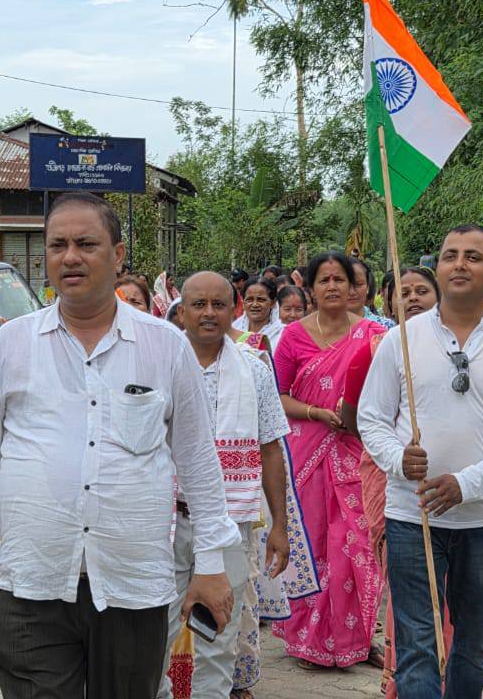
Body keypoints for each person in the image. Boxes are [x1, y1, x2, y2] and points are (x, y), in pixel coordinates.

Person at [0, 192, 239, 699]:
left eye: (86, 243)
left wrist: (209, 566)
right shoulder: (11, 345)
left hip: (131, 583)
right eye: (57, 245)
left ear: (118, 255)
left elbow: (200, 465)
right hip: (31, 583)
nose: (69, 256)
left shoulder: (165, 346)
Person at [358, 224, 483, 699]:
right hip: (410, 514)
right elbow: (372, 418)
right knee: (418, 641)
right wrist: (399, 460)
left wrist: (466, 484)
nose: (459, 264)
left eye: (472, 256)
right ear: (438, 266)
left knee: (476, 640)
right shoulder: (401, 339)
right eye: (449, 256)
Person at [161, 272, 291, 699]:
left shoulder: (253, 370)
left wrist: (279, 526)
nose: (209, 313)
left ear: (233, 308)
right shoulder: (157, 365)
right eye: (199, 304)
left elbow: (271, 448)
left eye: (219, 304)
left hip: (231, 524)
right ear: (182, 311)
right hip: (163, 523)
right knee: (161, 633)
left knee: (217, 631)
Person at [270, 251, 386, 670]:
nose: (334, 286)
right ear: (311, 288)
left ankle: (356, 638)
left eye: (341, 279)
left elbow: (388, 398)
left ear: (356, 288)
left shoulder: (374, 335)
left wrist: (357, 418)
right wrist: (317, 413)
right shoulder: (294, 337)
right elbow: (278, 398)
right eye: (324, 280)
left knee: (355, 543)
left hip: (355, 453)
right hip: (306, 452)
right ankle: (310, 639)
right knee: (314, 540)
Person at [362, 265, 446, 698]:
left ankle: (445, 676)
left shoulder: (457, 349)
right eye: (403, 292)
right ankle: (403, 681)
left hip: (452, 498)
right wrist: (396, 455)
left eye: (422, 291)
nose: (412, 298)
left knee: (447, 597)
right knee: (407, 596)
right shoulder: (381, 345)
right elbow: (369, 413)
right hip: (393, 482)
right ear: (388, 300)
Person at [234, 278, 284, 351]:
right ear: (243, 302)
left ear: (273, 303)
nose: (255, 304)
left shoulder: (282, 333)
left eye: (261, 300)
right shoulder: (235, 328)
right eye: (249, 299)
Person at [351, 260, 397, 330]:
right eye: (347, 284)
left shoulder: (386, 327)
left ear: (368, 287)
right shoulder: (329, 328)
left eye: (359, 284)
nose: (352, 291)